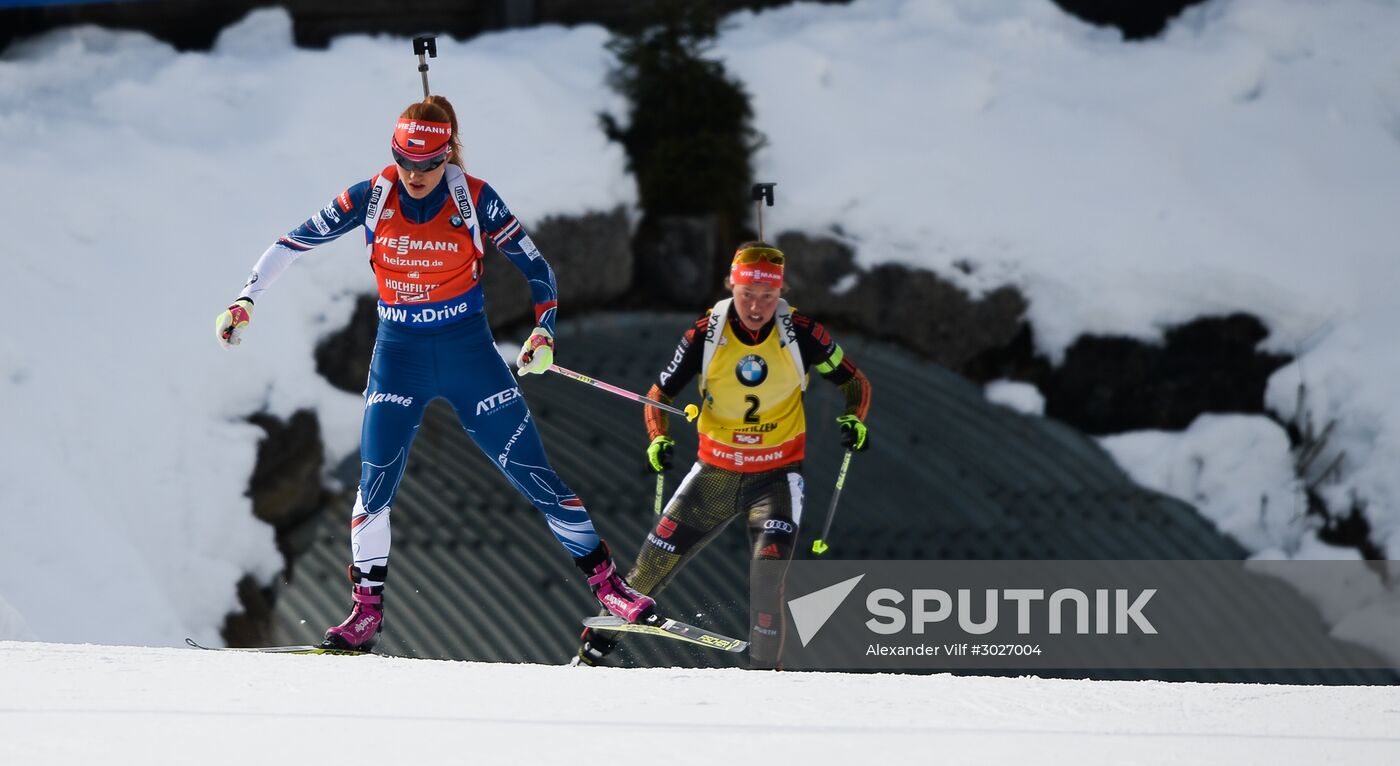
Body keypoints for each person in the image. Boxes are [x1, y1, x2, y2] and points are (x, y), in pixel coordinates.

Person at [214, 95, 654, 652]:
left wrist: (544, 330)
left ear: (448, 156)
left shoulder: (474, 199)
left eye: (429, 164)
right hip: (400, 357)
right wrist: (246, 298)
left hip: (469, 354)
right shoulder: (371, 196)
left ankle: (609, 588)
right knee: (374, 485)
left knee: (535, 474)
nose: (416, 174)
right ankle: (365, 613)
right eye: (406, 161)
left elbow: (537, 268)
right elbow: (292, 243)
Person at [573, 241, 872, 669]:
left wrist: (854, 419)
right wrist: (658, 435)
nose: (756, 307)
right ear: (732, 284)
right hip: (714, 474)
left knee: (768, 578)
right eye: (747, 294)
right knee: (645, 574)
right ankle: (589, 656)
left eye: (767, 297)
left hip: (776, 477)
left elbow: (854, 382)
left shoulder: (802, 334)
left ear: (781, 292)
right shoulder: (705, 334)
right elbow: (659, 393)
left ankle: (766, 673)